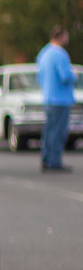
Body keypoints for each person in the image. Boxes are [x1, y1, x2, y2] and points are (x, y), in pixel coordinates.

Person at [37, 25, 77, 172]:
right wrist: (75, 76)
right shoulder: (60, 54)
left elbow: (39, 77)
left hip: (48, 97)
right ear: (61, 37)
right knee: (58, 132)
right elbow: (65, 76)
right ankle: (54, 161)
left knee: (49, 130)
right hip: (60, 99)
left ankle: (46, 158)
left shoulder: (44, 53)